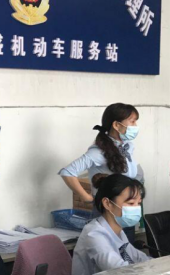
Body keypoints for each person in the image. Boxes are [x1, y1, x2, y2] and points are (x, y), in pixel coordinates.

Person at [59, 103, 142, 240]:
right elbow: (67, 172)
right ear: (116, 125)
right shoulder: (98, 152)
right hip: (108, 212)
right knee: (107, 247)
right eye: (132, 121)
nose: (136, 125)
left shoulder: (127, 147)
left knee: (127, 248)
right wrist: (87, 197)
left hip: (127, 210)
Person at [70, 174, 150, 275]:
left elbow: (139, 258)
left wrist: (157, 265)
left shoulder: (118, 231)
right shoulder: (93, 234)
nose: (136, 208)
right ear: (107, 203)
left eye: (139, 203)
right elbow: (118, 270)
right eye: (131, 203)